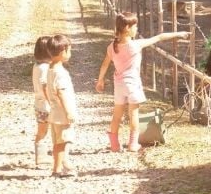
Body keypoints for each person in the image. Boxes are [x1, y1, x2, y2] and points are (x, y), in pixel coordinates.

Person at [95, 12, 190, 152]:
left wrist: (100, 80)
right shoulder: (135, 45)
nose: (136, 29)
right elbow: (159, 37)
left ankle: (114, 145)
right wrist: (179, 33)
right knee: (133, 114)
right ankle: (133, 144)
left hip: (119, 85)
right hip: (132, 84)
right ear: (127, 28)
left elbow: (104, 65)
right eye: (135, 26)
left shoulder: (112, 47)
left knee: (117, 115)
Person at [45, 34, 79, 178]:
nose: (70, 53)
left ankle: (60, 167)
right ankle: (58, 169)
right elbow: (62, 93)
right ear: (62, 52)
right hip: (62, 114)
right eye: (69, 50)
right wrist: (69, 112)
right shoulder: (61, 73)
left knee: (58, 142)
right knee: (63, 142)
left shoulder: (50, 70)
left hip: (54, 113)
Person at [31, 35, 53, 167]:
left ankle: (41, 155)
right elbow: (45, 86)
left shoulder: (36, 66)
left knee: (42, 130)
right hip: (46, 105)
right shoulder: (45, 68)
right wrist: (52, 101)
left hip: (39, 104)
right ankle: (41, 157)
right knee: (45, 131)